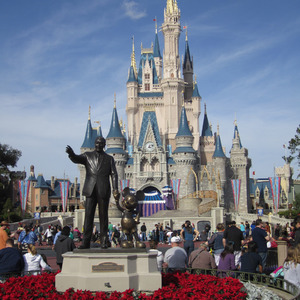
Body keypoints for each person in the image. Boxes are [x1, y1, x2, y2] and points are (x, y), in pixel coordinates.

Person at [66, 137, 120, 249]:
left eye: (100, 143)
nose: (98, 145)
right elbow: (77, 158)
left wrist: (115, 188)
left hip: (103, 189)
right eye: (96, 143)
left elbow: (114, 174)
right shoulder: (87, 156)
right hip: (90, 189)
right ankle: (85, 242)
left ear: (104, 145)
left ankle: (104, 241)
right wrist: (71, 154)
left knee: (103, 216)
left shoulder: (109, 159)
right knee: (88, 216)